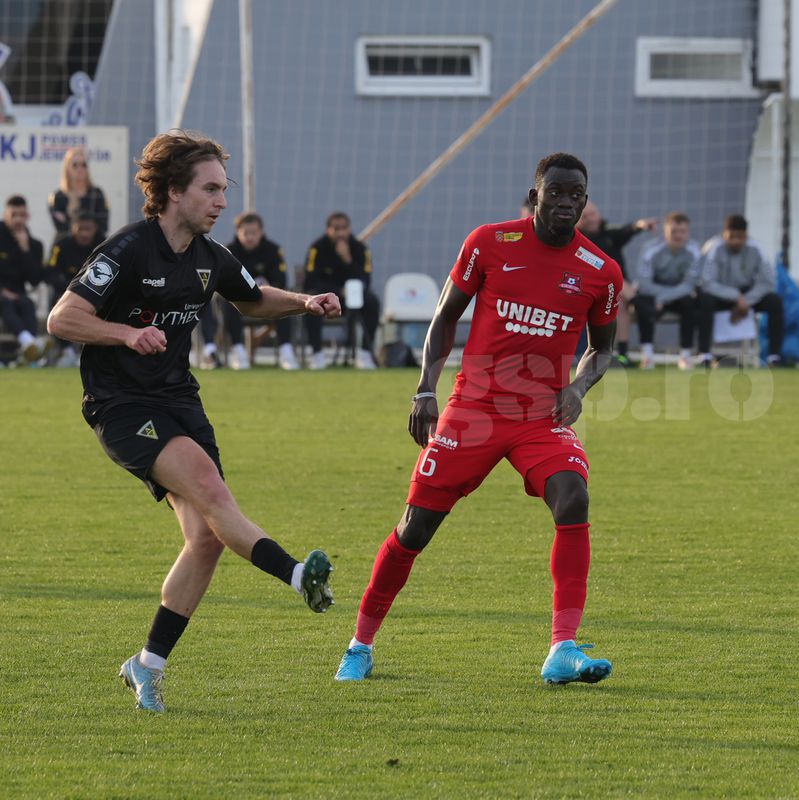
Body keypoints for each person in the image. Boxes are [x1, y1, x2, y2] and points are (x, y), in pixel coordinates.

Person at [45, 131, 339, 713]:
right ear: (173, 192)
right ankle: (297, 572)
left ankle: (147, 664)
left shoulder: (211, 257)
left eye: (223, 189)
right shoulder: (127, 248)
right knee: (210, 492)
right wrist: (126, 332)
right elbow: (63, 318)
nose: (221, 201)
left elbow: (251, 300)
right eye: (210, 189)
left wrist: (304, 302)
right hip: (122, 406)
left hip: (180, 400)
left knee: (205, 537)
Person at [333, 152, 622, 686]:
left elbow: (603, 349)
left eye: (575, 195)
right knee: (415, 529)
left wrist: (579, 386)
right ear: (536, 195)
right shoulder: (489, 243)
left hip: (541, 415)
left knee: (574, 494)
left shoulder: (601, 272)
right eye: (555, 192)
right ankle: (360, 644)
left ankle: (562, 647)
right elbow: (445, 317)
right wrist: (425, 389)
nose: (565, 202)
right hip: (474, 409)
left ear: (585, 202)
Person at [198, 212, 298, 370]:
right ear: (238, 232)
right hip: (239, 299)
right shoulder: (228, 251)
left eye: (254, 233)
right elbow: (222, 281)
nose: (250, 237)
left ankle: (286, 351)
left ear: (261, 232)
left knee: (284, 300)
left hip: (266, 298)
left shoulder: (273, 250)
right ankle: (238, 350)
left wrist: (266, 287)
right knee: (227, 300)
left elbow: (281, 279)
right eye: (246, 233)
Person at [695, 214, 786, 367]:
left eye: (740, 236)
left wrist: (746, 301)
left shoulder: (756, 248)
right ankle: (704, 354)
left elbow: (769, 282)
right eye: (731, 236)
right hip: (721, 295)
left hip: (747, 296)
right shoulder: (714, 247)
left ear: (746, 235)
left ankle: (774, 356)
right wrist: (736, 297)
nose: (735, 241)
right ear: (724, 234)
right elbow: (707, 283)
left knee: (775, 301)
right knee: (705, 300)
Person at [576, 201, 656, 367]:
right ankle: (639, 302)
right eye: (585, 216)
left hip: (618, 292)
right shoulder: (578, 241)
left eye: (593, 214)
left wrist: (640, 225)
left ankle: (623, 355)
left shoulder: (610, 234)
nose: (590, 219)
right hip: (593, 290)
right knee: (617, 288)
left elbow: (627, 230)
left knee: (621, 304)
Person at [303, 212, 380, 369]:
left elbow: (365, 279)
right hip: (326, 299)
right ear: (328, 230)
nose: (340, 233)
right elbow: (310, 280)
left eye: (344, 228)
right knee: (310, 305)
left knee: (372, 302)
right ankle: (316, 354)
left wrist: (347, 259)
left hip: (352, 300)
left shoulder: (360, 249)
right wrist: (337, 290)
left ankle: (365, 353)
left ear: (349, 229)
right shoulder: (317, 248)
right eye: (336, 229)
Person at [632, 211, 700, 369]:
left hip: (676, 296)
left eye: (682, 232)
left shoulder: (694, 250)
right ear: (665, 232)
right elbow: (644, 283)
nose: (678, 236)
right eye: (674, 231)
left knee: (690, 303)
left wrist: (663, 298)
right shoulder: (650, 249)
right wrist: (658, 297)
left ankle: (685, 356)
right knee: (642, 302)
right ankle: (647, 356)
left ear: (688, 233)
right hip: (652, 296)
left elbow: (689, 285)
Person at [44, 209, 102, 366]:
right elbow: (50, 273)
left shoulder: (104, 245)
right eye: (80, 228)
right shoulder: (61, 245)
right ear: (73, 227)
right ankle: (67, 350)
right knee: (55, 304)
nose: (84, 233)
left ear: (95, 228)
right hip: (66, 292)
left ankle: (90, 350)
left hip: (95, 293)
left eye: (87, 229)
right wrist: (70, 290)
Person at [0, 195, 47, 364]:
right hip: (2, 292)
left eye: (22, 215)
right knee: (5, 302)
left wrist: (25, 249)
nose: (18, 219)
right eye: (14, 215)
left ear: (27, 216)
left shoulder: (34, 244)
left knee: (27, 303)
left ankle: (28, 352)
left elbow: (34, 280)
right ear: (6, 215)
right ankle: (30, 343)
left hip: (18, 293)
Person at [48, 146, 110, 238]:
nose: (80, 168)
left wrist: (70, 218)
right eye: (75, 165)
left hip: (93, 246)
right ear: (67, 168)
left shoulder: (97, 194)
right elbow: (61, 228)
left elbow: (103, 226)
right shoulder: (57, 197)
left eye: (84, 164)